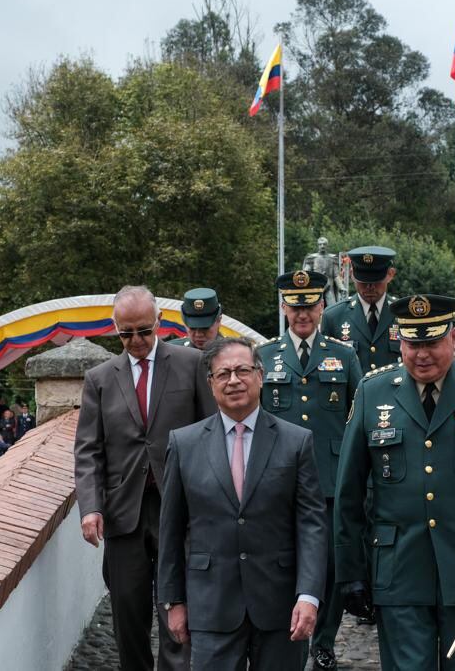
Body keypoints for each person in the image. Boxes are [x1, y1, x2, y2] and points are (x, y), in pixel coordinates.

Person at [335, 294, 455, 670]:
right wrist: (351, 572)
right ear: (399, 342)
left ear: (453, 338)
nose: (422, 354)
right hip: (398, 569)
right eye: (412, 343)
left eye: (431, 342)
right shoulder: (373, 393)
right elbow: (349, 492)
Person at [158, 338, 327, 670]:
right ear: (211, 384)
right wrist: (172, 601)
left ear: (260, 376)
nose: (233, 380)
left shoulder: (296, 441)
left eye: (242, 370)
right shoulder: (184, 444)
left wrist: (309, 595)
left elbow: (312, 525)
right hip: (211, 605)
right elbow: (171, 529)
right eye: (223, 374)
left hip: (280, 608)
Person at [74, 284, 216, 671]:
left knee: (179, 614)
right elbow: (88, 450)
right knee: (127, 614)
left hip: (181, 509)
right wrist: (90, 507)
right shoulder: (99, 379)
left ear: (159, 323)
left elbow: (210, 434)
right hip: (124, 514)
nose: (136, 340)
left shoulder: (191, 364)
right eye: (126, 333)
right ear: (114, 329)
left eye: (143, 331)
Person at [255, 270, 361, 670]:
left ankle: (325, 639)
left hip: (330, 476)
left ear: (322, 307)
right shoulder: (263, 357)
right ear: (284, 308)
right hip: (280, 477)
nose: (303, 314)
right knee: (286, 558)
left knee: (331, 563)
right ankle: (288, 631)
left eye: (311, 306)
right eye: (295, 307)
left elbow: (359, 418)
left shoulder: (344, 355)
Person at [320, 246, 400, 374]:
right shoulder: (333, 317)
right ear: (352, 274)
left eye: (376, 281)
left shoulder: (404, 315)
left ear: (390, 274)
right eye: (363, 281)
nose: (370, 287)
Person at [302, 237, 345, 306]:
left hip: (329, 287)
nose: (322, 246)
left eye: (324, 244)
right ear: (318, 245)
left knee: (332, 307)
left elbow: (336, 276)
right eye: (320, 244)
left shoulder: (332, 258)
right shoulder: (312, 258)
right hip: (316, 287)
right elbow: (306, 273)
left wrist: (341, 287)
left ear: (327, 246)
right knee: (314, 307)